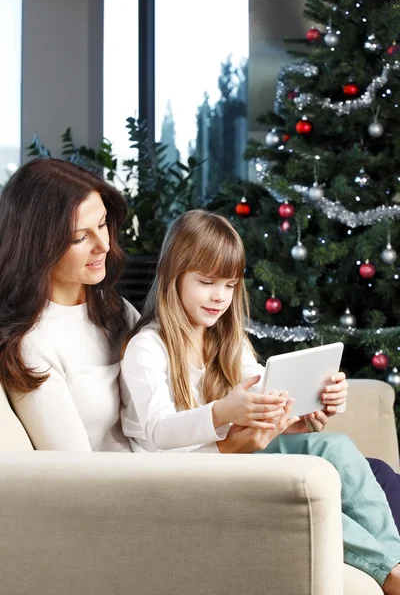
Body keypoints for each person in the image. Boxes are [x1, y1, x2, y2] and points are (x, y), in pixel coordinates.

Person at [120, 209, 400, 593]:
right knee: (304, 486)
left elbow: (263, 390)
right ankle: (389, 574)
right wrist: (222, 411)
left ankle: (396, 562)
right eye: (206, 282)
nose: (220, 297)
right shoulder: (147, 347)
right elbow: (156, 431)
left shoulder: (226, 341)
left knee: (334, 445)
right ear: (174, 276)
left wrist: (309, 406)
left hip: (228, 459)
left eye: (230, 285)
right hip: (179, 475)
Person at [0, 158, 139, 452]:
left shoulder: (116, 310)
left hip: (165, 475)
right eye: (80, 237)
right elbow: (73, 477)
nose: (103, 244)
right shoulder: (32, 345)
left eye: (102, 224)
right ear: (38, 246)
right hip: (116, 493)